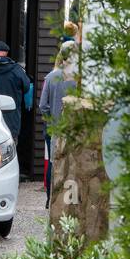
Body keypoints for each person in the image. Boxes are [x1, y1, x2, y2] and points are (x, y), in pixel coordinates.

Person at [40, 40, 80, 203]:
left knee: (53, 162)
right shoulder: (78, 79)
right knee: (71, 164)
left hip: (53, 127)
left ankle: (50, 199)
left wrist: (51, 120)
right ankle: (70, 199)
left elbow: (43, 105)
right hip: (72, 128)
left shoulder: (51, 77)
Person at [0, 40, 31, 143]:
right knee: (11, 153)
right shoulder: (17, 70)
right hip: (11, 122)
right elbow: (27, 87)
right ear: (6, 53)